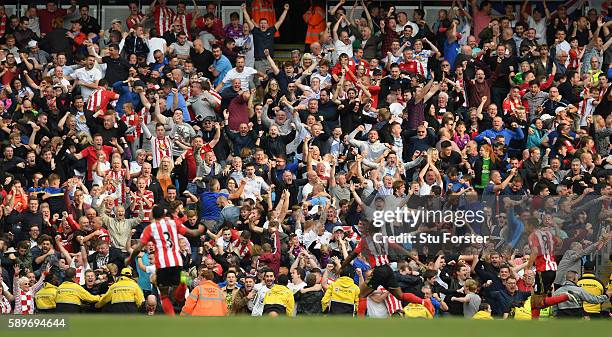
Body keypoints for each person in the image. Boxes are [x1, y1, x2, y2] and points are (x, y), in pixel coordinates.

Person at [125, 206, 205, 316]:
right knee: (179, 291)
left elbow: (138, 248)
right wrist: (201, 229)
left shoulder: (150, 228)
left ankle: (171, 319)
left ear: (152, 215)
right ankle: (183, 283)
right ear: (163, 215)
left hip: (162, 264)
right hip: (177, 261)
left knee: (163, 295)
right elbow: (192, 233)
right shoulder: (173, 223)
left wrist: (129, 259)